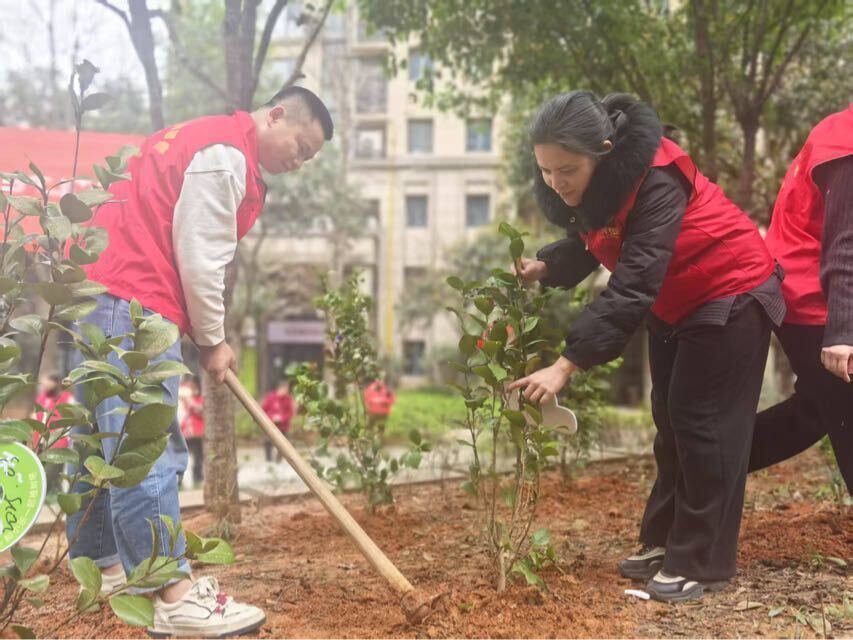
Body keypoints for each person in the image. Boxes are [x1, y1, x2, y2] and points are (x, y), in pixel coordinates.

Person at [66, 85, 333, 637]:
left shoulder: (197, 137)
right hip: (135, 302)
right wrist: (213, 340)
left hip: (101, 296)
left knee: (101, 442)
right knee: (147, 447)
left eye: (310, 159)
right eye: (301, 146)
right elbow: (201, 255)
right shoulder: (226, 154)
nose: (300, 162)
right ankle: (173, 595)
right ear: (276, 114)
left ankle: (103, 566)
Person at [507, 91, 785, 603]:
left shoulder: (658, 177)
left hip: (731, 290)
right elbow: (601, 237)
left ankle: (701, 561)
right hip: (675, 300)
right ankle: (665, 541)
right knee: (671, 421)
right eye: (545, 170)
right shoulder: (597, 187)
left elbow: (633, 280)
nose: (555, 182)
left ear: (607, 150)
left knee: (704, 425)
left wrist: (566, 365)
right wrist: (546, 266)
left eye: (566, 169)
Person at [749, 103, 853, 492]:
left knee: (815, 412)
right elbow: (845, 243)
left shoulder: (837, 128)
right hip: (818, 304)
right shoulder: (846, 142)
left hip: (816, 296)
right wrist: (843, 332)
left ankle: (704, 466)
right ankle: (702, 467)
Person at [31, 373, 74, 492]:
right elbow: (35, 417)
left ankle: (50, 491)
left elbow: (71, 420)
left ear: (55, 383)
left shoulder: (67, 398)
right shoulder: (42, 398)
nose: (44, 385)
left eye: (47, 383)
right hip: (41, 440)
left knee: (51, 471)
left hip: (59, 440)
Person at [178, 376, 204, 486]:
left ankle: (198, 479)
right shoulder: (181, 402)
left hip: (198, 435)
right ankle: (180, 482)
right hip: (185, 435)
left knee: (198, 459)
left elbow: (201, 410)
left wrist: (190, 402)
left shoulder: (199, 400)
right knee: (183, 458)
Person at [260, 380, 295, 463]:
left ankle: (278, 461)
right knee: (268, 441)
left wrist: (282, 419)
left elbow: (290, 413)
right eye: (285, 389)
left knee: (283, 444)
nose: (286, 391)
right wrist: (272, 418)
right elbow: (263, 410)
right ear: (280, 388)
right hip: (271, 424)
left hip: (283, 426)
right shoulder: (271, 397)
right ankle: (268, 460)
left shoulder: (288, 399)